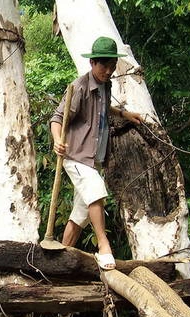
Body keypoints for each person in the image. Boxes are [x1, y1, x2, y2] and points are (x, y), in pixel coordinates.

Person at [50, 36, 143, 270]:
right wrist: (56, 141)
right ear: (93, 63)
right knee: (96, 192)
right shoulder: (79, 88)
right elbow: (57, 118)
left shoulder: (106, 85)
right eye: (104, 66)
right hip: (75, 156)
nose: (108, 71)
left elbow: (103, 108)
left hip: (93, 160)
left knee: (80, 215)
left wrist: (124, 114)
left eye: (112, 66)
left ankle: (57, 261)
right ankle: (104, 247)